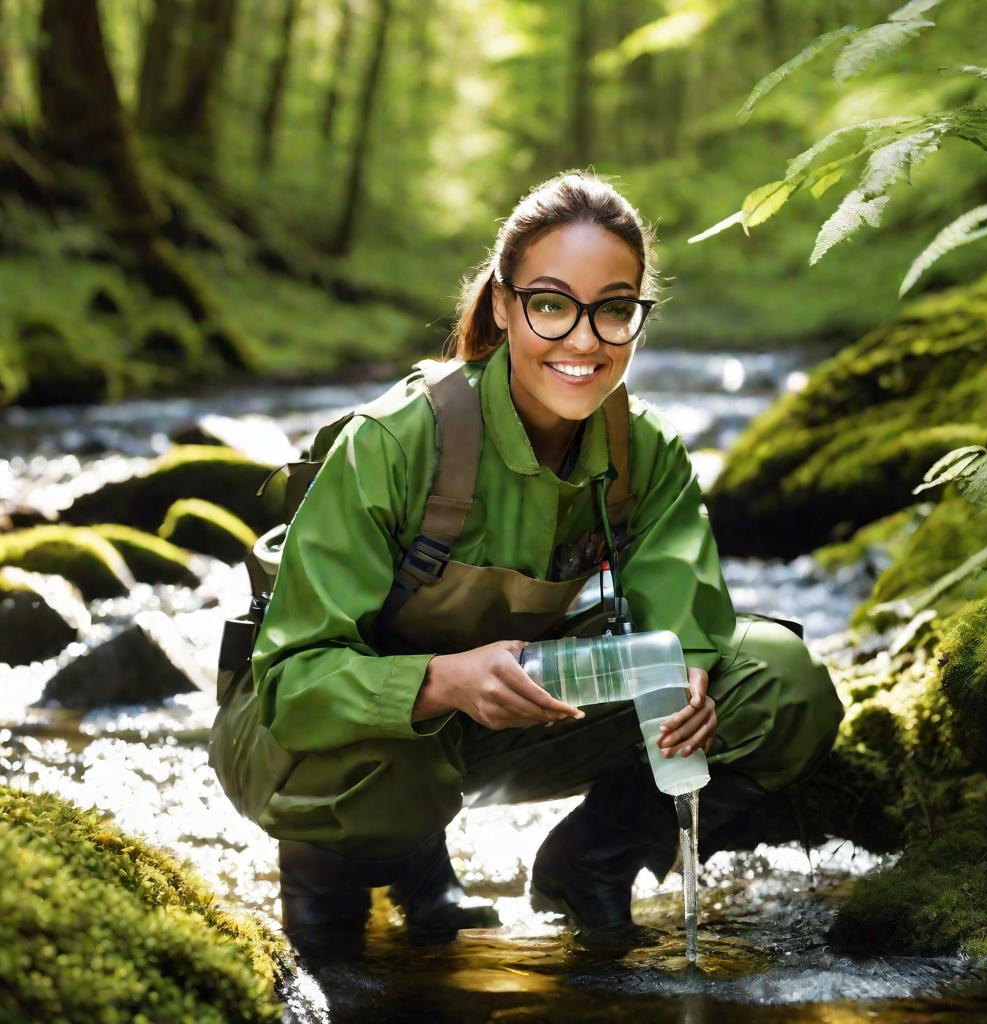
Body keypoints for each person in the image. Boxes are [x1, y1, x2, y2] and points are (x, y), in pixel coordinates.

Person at [248, 170, 845, 948]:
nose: (586, 339)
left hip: (519, 715)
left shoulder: (646, 450)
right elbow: (292, 684)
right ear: (504, 304)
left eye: (615, 310)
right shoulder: (397, 442)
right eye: (553, 305)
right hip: (327, 733)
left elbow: (684, 618)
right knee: (379, 793)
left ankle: (594, 862)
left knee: (778, 685)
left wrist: (689, 681)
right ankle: (343, 889)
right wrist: (440, 682)